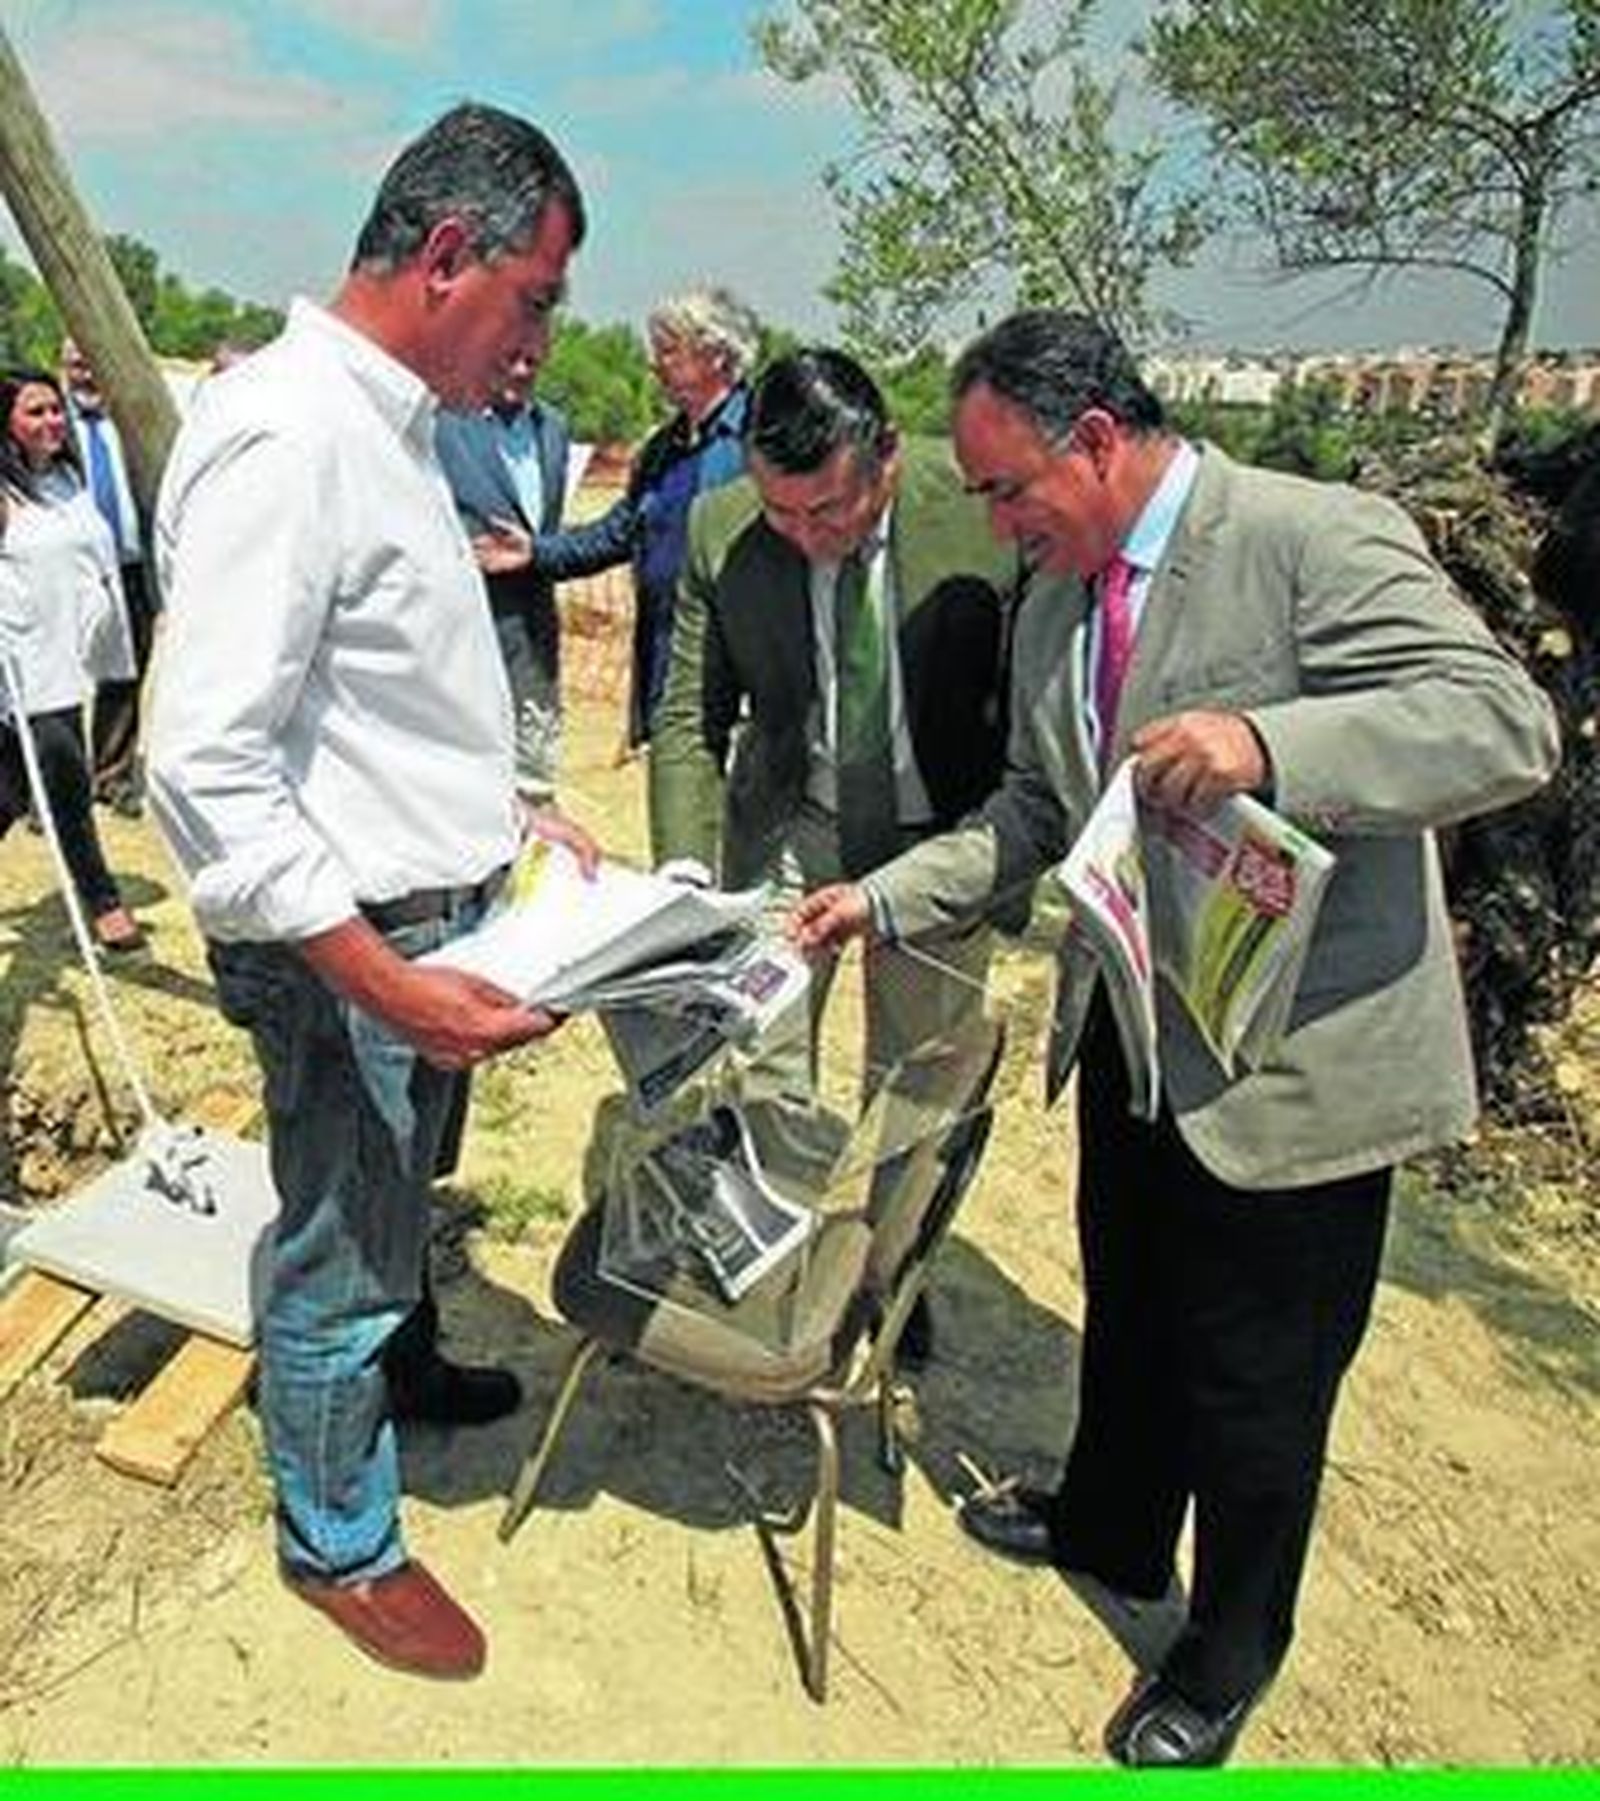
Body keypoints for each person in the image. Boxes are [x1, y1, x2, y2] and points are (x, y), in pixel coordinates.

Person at [791, 310, 1559, 1766]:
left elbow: (1501, 724)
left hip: (1295, 1066)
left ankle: (1225, 1650)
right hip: (1138, 1027)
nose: (997, 524)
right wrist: (878, 900)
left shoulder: (1310, 538)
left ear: (1094, 440)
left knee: (1257, 1381)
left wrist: (1271, 748)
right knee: (1134, 1302)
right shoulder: (1056, 601)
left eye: (1010, 488)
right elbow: (1035, 809)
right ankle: (1113, 1522)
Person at [147, 102, 594, 1682]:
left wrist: (516, 818)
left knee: (398, 1200)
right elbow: (206, 762)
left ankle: (397, 1373)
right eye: (535, 298)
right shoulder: (290, 433)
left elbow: (372, 701)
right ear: (450, 254)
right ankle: (338, 1539)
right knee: (340, 1249)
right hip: (347, 945)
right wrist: (385, 981)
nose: (540, 341)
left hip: (425, 917)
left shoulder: (389, 425)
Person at [651, 346, 1015, 1152]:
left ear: (887, 454)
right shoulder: (722, 528)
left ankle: (880, 1237)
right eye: (781, 513)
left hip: (938, 840)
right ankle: (773, 1216)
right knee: (759, 1057)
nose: (806, 536)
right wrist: (685, 876)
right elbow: (687, 714)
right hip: (792, 828)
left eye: (828, 510)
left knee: (918, 1096)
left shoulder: (981, 507)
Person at [526, 284, 760, 830]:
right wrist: (534, 553)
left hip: (744, 676)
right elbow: (618, 532)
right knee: (681, 829)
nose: (654, 365)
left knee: (744, 832)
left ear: (716, 354)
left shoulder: (762, 436)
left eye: (669, 350)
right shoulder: (661, 449)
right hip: (669, 671)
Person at [0, 368, 143, 952]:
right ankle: (103, 901)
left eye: (55, 409)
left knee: (11, 788)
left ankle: (102, 900)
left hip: (70, 656)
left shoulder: (66, 480)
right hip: (24, 663)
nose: (52, 421)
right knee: (64, 771)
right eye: (35, 412)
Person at [435, 349, 574, 806]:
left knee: (534, 777)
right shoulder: (443, 422)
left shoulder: (554, 428)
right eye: (510, 358)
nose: (520, 371)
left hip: (535, 630)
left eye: (531, 362)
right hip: (465, 626)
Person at [60, 337, 154, 816]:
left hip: (132, 571)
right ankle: (58, 782)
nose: (87, 374)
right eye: (77, 365)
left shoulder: (133, 421)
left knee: (126, 672)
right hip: (69, 572)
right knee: (61, 676)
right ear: (62, 367)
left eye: (94, 363)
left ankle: (111, 774)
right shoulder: (51, 426)